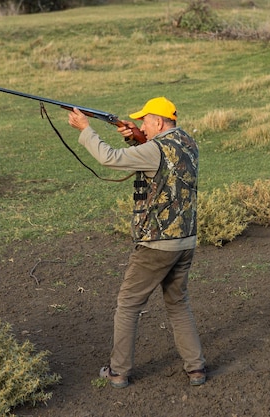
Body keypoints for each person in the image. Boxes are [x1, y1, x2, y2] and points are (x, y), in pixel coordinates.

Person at [68, 97, 206, 388]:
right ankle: (196, 369)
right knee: (178, 303)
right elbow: (163, 167)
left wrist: (85, 129)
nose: (142, 124)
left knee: (128, 305)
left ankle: (118, 372)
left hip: (157, 244)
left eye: (145, 121)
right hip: (186, 240)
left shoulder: (154, 149)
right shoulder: (188, 142)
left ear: (158, 122)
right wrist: (137, 139)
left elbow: (109, 158)